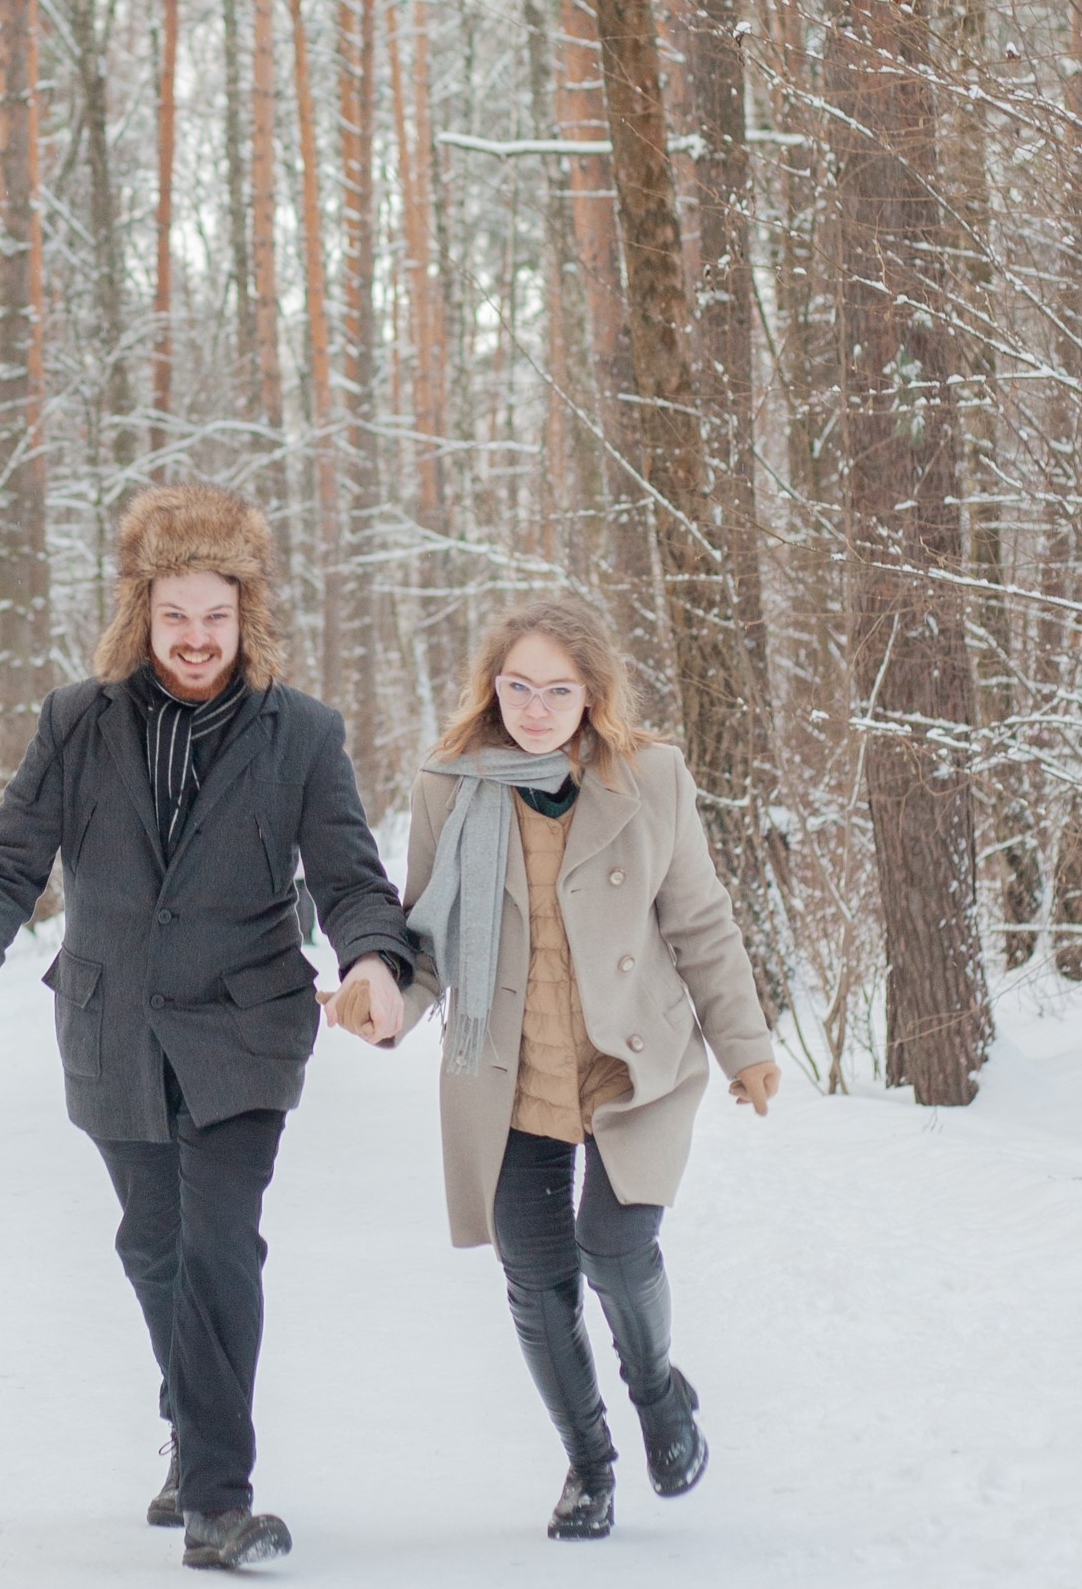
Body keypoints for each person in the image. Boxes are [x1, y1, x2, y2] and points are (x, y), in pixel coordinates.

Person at [0, 483, 418, 1573]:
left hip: (245, 1035)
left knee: (216, 1247)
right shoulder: (77, 723)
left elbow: (351, 878)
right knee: (153, 1246)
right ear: (140, 615)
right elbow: (6, 862)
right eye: (175, 616)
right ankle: (192, 1418)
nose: (196, 639)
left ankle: (217, 1501)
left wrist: (373, 964)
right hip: (113, 1032)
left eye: (216, 616)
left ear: (248, 617)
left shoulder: (301, 735)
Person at [332, 593, 778, 1541]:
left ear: (593, 693)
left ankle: (657, 1393)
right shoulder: (451, 785)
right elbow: (427, 938)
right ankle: (589, 1462)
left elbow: (700, 924)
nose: (535, 708)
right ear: (493, 687)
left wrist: (745, 1046)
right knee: (537, 1281)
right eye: (518, 686)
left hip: (631, 1063)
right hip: (514, 1068)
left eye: (558, 689)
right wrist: (388, 1004)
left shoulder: (649, 777)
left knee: (613, 1247)